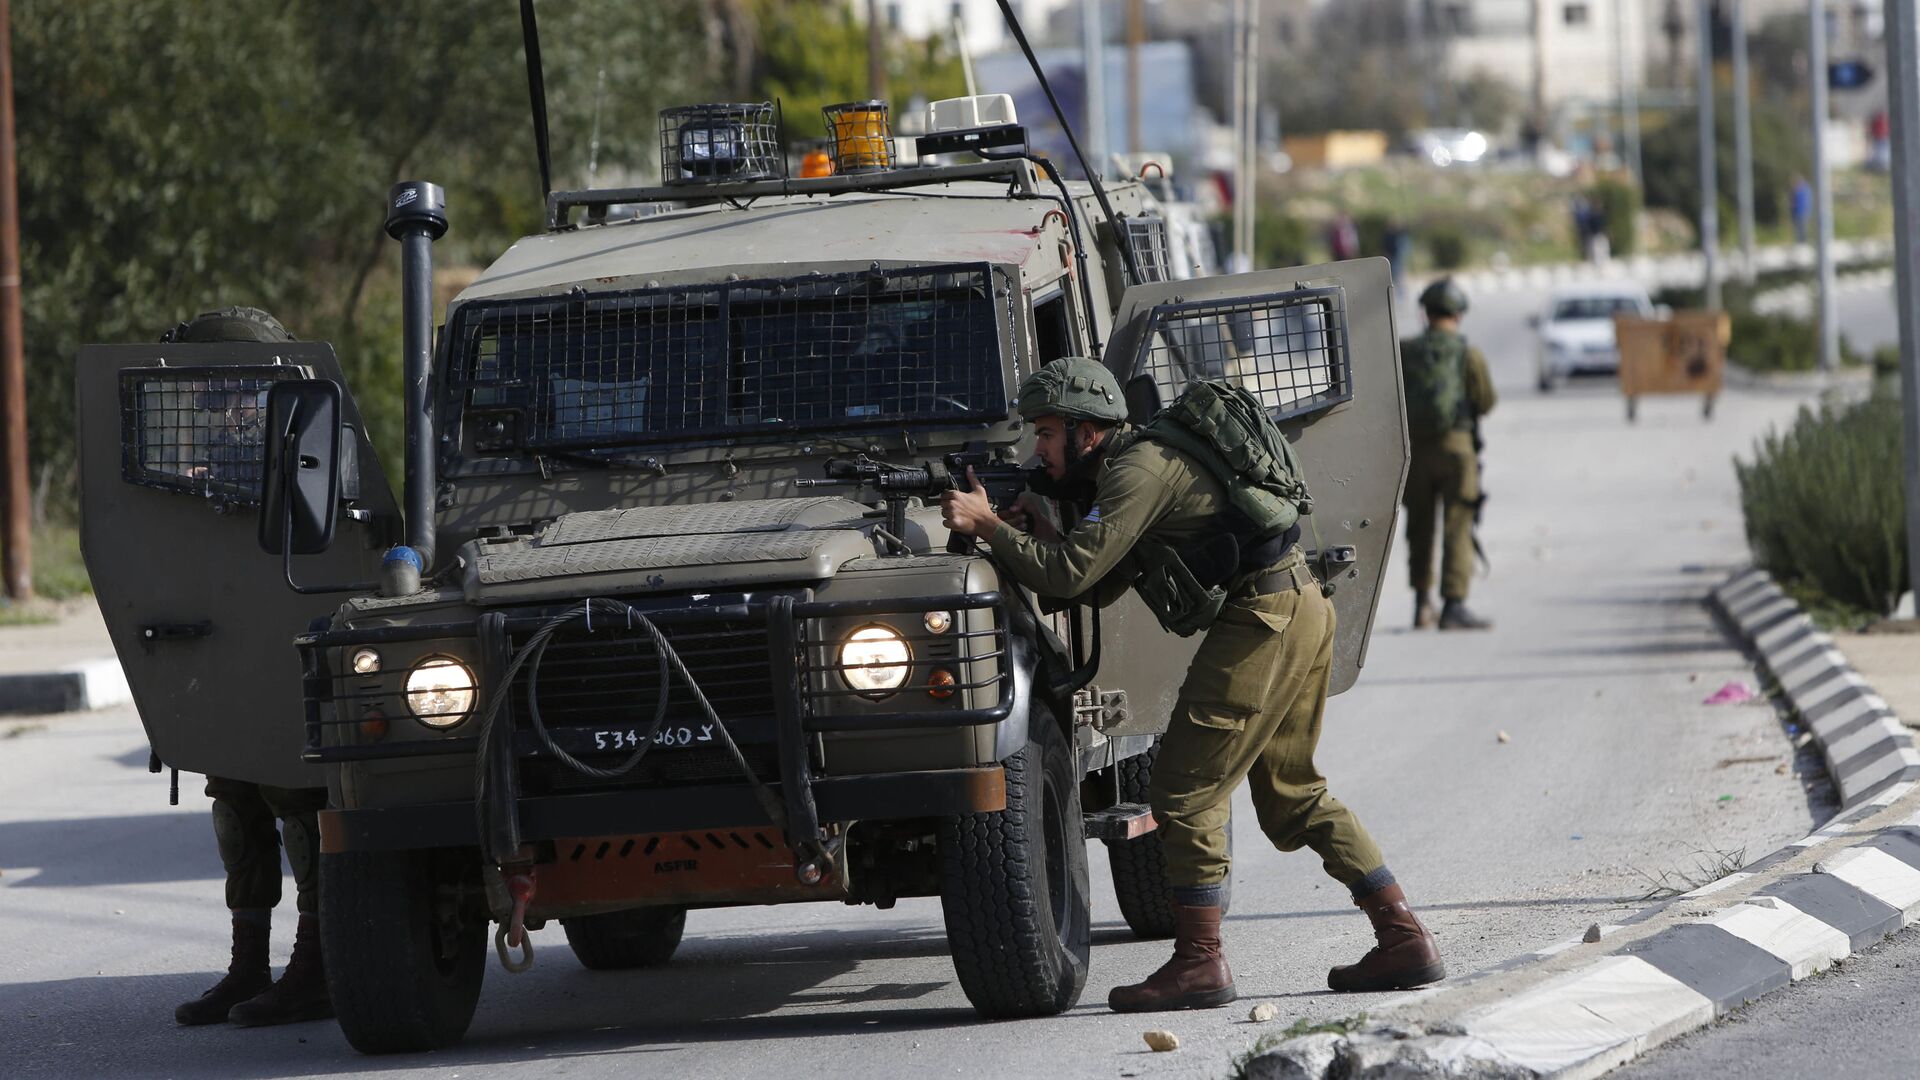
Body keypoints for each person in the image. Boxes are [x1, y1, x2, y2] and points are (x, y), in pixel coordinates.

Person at [940, 358, 1444, 1012]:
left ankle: (1200, 963)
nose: (1039, 448)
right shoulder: (1132, 468)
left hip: (1264, 619)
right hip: (1296, 608)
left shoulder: (1136, 470)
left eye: (1045, 431)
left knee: (1182, 787)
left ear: (1086, 431)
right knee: (1293, 795)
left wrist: (989, 528)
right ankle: (1404, 937)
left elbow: (1067, 578)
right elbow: (1099, 582)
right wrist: (1027, 534)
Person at [161, 307, 334, 1029]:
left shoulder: (313, 433)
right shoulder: (205, 452)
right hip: (227, 642)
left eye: (225, 392)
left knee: (296, 802)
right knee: (234, 802)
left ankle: (318, 962)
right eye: (209, 396)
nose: (214, 408)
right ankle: (247, 965)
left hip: (288, 641)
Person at [1400, 279, 1496, 631]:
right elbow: (1486, 401)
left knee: (1419, 525)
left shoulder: (1405, 350)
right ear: (1458, 314)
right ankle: (1453, 605)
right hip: (1457, 450)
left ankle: (1422, 603)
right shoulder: (1467, 353)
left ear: (1425, 313)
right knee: (1458, 523)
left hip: (1415, 451)